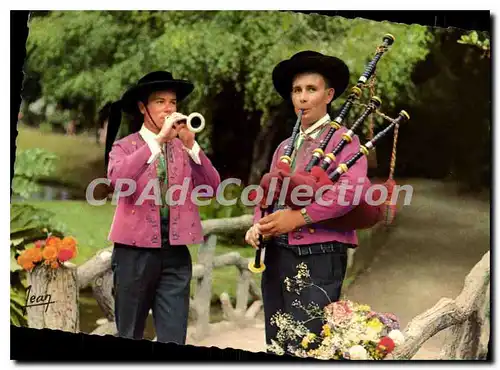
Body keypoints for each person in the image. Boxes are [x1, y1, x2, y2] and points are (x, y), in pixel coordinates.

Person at [245, 51, 368, 352]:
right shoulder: (285, 146)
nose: (302, 98)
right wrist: (257, 226)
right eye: (297, 91)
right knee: (276, 342)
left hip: (319, 255)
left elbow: (348, 194)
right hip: (276, 254)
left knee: (307, 344)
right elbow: (269, 196)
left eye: (311, 90)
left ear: (328, 95)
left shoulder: (345, 141)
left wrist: (299, 218)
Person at [105, 71, 221, 344]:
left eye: (173, 102)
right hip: (133, 253)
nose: (169, 108)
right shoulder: (124, 147)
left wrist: (192, 146)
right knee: (129, 333)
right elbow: (118, 180)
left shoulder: (184, 148)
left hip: (176, 252)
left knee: (174, 337)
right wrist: (156, 142)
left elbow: (213, 187)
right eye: (160, 101)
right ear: (143, 108)